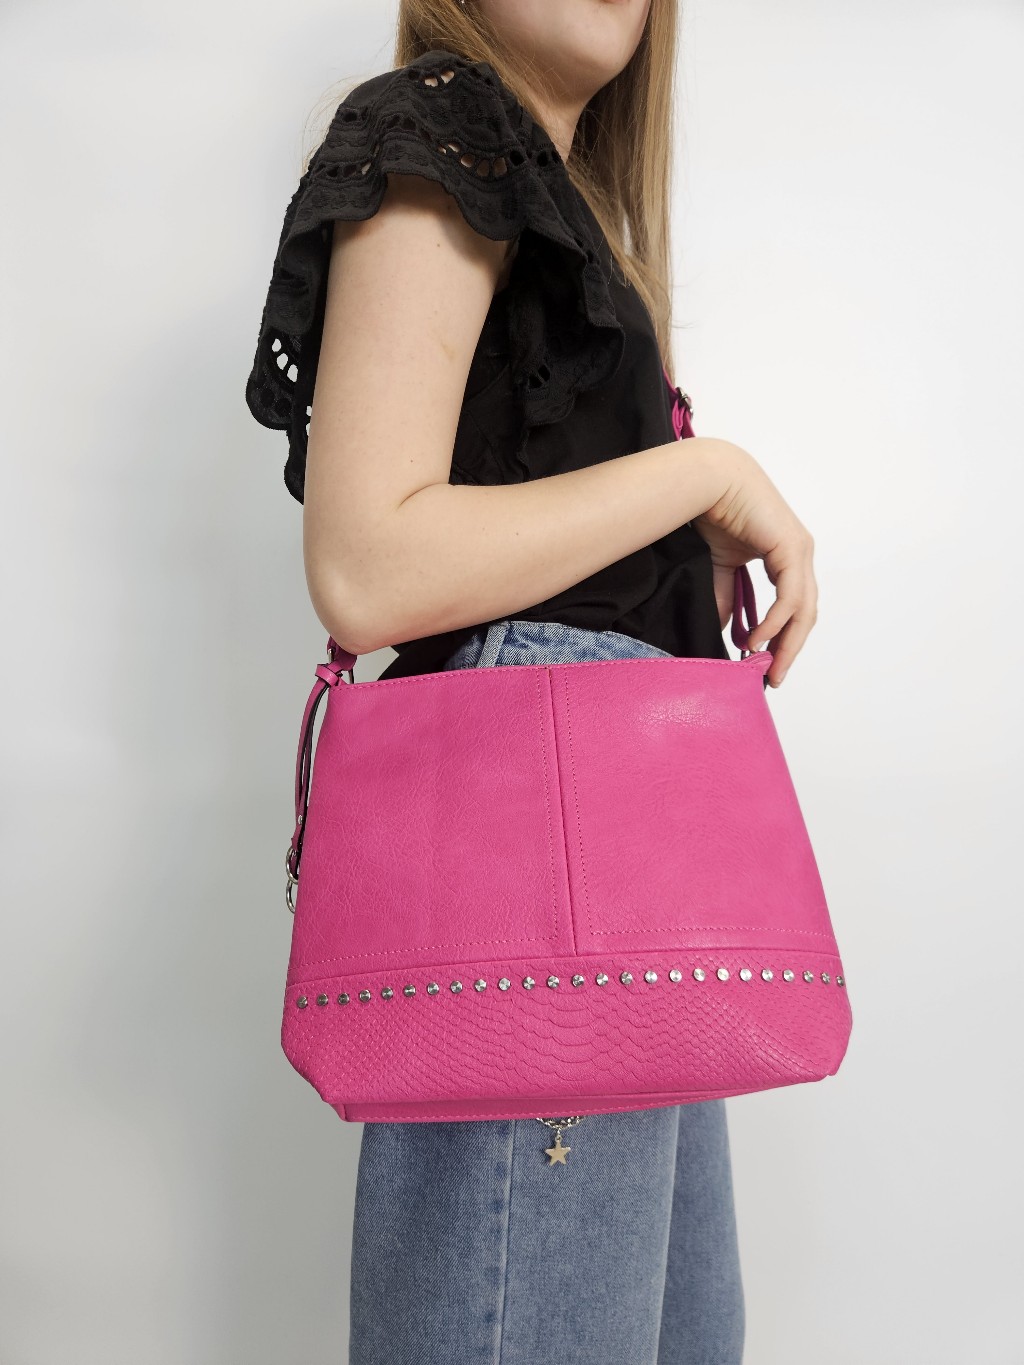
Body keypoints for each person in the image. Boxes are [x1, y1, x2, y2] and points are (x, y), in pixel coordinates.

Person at [246, 3, 817, 1360]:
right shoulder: (443, 130)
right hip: (537, 853)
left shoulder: (569, 208)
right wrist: (704, 473)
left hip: (624, 864)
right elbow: (367, 565)